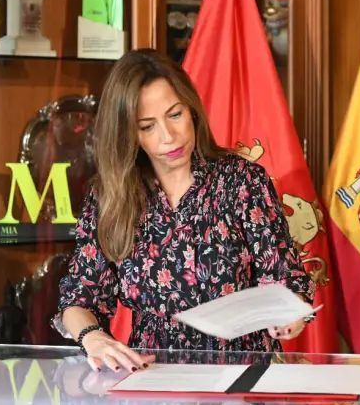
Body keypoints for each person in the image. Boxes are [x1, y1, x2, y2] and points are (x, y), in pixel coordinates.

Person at [54, 50, 315, 372]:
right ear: (128, 134)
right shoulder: (109, 195)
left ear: (191, 109)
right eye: (147, 126)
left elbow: (285, 277)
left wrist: (289, 314)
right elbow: (80, 296)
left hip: (243, 374)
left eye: (175, 114)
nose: (168, 136)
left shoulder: (241, 181)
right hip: (154, 375)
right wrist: (94, 337)